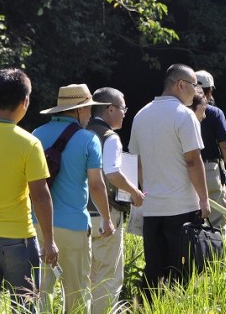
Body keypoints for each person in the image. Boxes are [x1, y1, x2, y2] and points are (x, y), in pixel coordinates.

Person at [0, 68, 58, 314]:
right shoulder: (29, 143)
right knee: (24, 309)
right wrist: (49, 242)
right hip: (18, 239)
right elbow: (40, 196)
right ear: (25, 102)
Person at [128, 63, 210, 299]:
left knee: (155, 273)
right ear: (180, 84)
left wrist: (147, 191)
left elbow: (138, 162)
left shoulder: (141, 115)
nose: (196, 92)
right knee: (181, 274)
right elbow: (193, 161)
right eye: (194, 86)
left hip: (152, 209)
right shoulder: (184, 116)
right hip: (182, 208)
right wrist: (204, 199)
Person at [33, 83, 115, 314]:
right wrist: (107, 219)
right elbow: (97, 185)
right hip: (74, 227)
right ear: (79, 110)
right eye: (88, 108)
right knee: (77, 293)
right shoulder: (88, 139)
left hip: (39, 224)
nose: (90, 114)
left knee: (41, 293)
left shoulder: (36, 135)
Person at [87, 87, 145, 314]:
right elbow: (112, 173)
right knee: (109, 276)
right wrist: (135, 192)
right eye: (122, 108)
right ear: (110, 109)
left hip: (80, 213)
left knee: (87, 275)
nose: (124, 113)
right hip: (106, 213)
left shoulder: (81, 132)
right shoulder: (110, 137)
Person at [194, 70, 226, 230]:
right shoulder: (214, 113)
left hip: (183, 171)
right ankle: (216, 255)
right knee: (217, 223)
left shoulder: (181, 112)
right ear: (209, 90)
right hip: (209, 171)